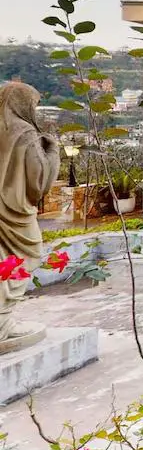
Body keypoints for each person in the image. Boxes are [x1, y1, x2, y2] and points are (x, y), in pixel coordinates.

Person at [0, 81, 60, 344]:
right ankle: (3, 320)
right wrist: (53, 150)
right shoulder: (25, 133)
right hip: (15, 210)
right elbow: (38, 184)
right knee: (27, 255)